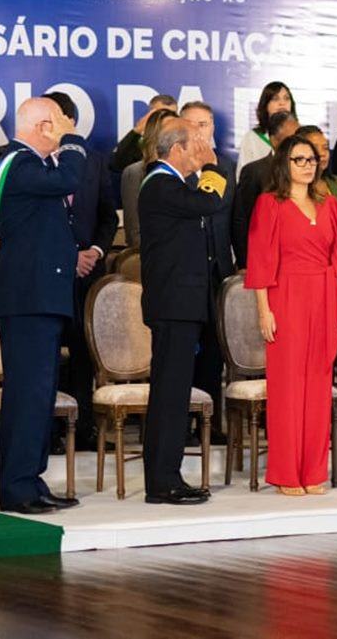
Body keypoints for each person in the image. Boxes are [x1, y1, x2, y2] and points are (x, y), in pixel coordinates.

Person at [0, 97, 85, 514]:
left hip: (40, 297)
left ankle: (31, 478)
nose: (63, 130)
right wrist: (72, 140)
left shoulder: (34, 165)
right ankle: (17, 487)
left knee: (40, 394)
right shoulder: (19, 164)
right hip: (26, 299)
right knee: (27, 394)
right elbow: (70, 178)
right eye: (58, 123)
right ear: (44, 126)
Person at [246, 135, 337, 495]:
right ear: (283, 164)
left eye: (312, 159)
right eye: (299, 159)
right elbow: (260, 260)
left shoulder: (330, 204)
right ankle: (287, 473)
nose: (307, 165)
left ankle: (314, 471)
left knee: (319, 386)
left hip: (323, 296)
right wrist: (264, 311)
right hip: (285, 296)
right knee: (288, 387)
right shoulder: (269, 204)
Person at [138, 118, 228, 504]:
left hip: (181, 304)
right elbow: (210, 202)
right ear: (176, 149)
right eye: (196, 145)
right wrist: (213, 168)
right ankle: (163, 481)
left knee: (173, 393)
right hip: (173, 304)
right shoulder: (161, 183)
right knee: (170, 395)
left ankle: (167, 476)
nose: (201, 151)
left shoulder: (172, 184)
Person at [47, 91, 118, 452]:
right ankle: (49, 432)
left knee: (84, 352)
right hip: (50, 274)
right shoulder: (35, 161)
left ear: (70, 122)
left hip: (89, 273)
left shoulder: (94, 161)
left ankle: (84, 428)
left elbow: (107, 216)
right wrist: (68, 255)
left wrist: (95, 251)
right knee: (48, 355)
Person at [181, 101, 237, 440]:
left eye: (204, 124)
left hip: (219, 273)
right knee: (186, 350)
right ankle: (185, 421)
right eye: (192, 124)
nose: (199, 130)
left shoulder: (226, 166)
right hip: (187, 274)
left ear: (213, 128)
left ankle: (211, 424)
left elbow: (236, 220)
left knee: (214, 352)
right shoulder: (176, 166)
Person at [233, 110, 300, 267]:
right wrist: (244, 263)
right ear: (273, 140)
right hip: (264, 259)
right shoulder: (254, 171)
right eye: (290, 139)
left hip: (299, 259)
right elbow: (242, 220)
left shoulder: (307, 169)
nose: (297, 144)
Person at [300, 125, 337, 274]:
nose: (323, 153)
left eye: (325, 148)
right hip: (304, 273)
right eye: (315, 148)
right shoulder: (290, 190)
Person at [121, 108, 180, 247]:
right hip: (154, 255)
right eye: (167, 129)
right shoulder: (135, 173)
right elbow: (135, 233)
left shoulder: (190, 171)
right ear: (154, 135)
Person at [237, 81, 296, 175]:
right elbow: (244, 175)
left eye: (286, 98)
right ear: (265, 105)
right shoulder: (251, 138)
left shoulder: (300, 134)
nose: (282, 103)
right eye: (275, 99)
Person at [110, 94, 178, 173]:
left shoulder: (182, 140)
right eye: (161, 114)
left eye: (172, 114)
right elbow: (117, 163)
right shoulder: (140, 142)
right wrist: (137, 131)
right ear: (149, 115)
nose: (167, 119)